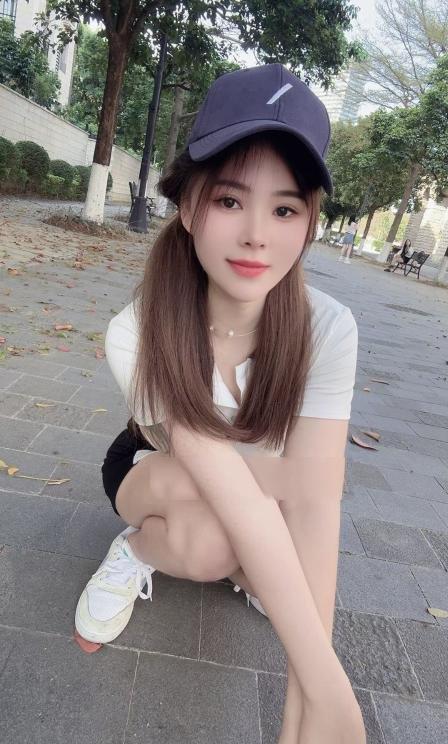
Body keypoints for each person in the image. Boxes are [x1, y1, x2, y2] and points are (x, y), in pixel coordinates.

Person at [75, 64, 365, 744]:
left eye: (285, 209)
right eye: (231, 200)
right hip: (156, 468)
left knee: (277, 543)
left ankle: (245, 562)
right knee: (214, 544)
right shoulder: (137, 331)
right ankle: (138, 549)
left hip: (265, 480)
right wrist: (330, 693)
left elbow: (313, 500)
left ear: (309, 224)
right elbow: (227, 481)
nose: (257, 234)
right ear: (187, 206)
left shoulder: (329, 329)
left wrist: (311, 705)